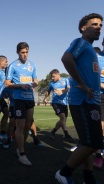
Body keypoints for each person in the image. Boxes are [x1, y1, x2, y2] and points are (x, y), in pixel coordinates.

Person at [55, 13, 103, 184]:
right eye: (94, 24)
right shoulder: (80, 42)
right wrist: (82, 84)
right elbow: (66, 58)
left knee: (87, 143)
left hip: (92, 100)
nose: (99, 28)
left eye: (100, 25)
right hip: (83, 101)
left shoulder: (90, 49)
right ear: (83, 28)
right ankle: (63, 172)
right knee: (94, 142)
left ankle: (88, 177)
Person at [5, 42, 38, 166]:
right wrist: (20, 85)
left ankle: (19, 148)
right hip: (19, 99)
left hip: (30, 98)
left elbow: (35, 79)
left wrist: (35, 83)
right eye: (22, 52)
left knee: (28, 125)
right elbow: (7, 84)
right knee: (20, 126)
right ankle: (22, 154)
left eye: (27, 52)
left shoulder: (32, 65)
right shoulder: (13, 66)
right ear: (17, 52)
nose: (25, 55)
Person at [43, 69, 75, 143]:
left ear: (58, 74)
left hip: (64, 103)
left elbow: (68, 88)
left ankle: (53, 132)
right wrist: (45, 98)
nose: (52, 78)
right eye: (52, 77)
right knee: (62, 117)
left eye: (53, 76)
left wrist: (62, 91)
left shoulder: (65, 80)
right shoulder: (51, 83)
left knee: (63, 120)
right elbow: (48, 91)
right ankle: (66, 134)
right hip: (55, 103)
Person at [93, 43, 104, 168]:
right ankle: (98, 155)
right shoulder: (96, 57)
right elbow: (94, 78)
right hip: (100, 95)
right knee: (100, 124)